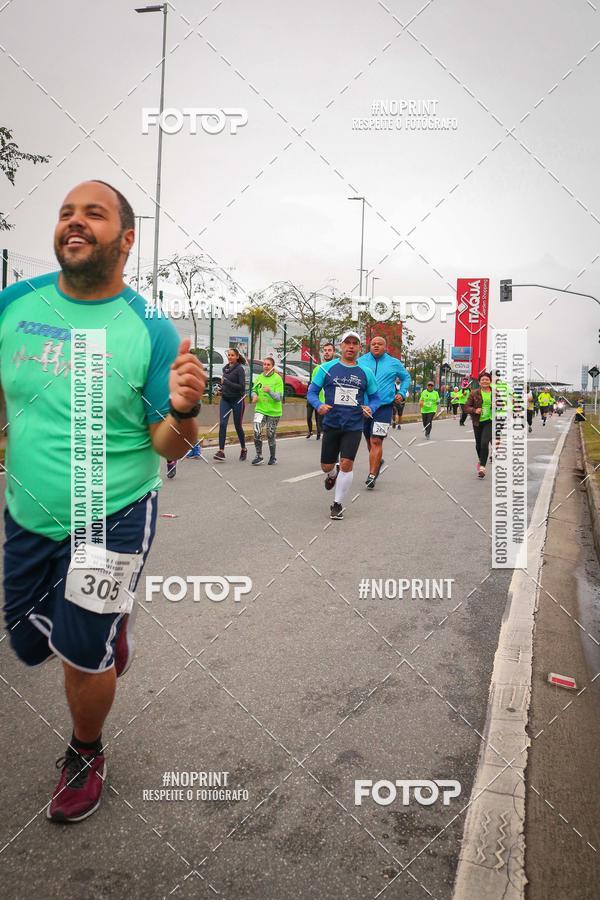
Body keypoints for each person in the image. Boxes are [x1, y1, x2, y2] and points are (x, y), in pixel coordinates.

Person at [0, 180, 205, 823]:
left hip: (112, 515)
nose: (75, 222)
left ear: (126, 238)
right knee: (29, 643)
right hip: (28, 512)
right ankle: (107, 629)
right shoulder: (13, 304)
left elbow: (169, 445)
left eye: (93, 213)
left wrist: (186, 410)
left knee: (81, 650)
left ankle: (85, 752)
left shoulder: (150, 330)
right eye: (65, 213)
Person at [307, 331, 381, 518]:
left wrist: (370, 408)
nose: (350, 346)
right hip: (331, 423)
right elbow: (311, 393)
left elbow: (375, 398)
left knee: (347, 463)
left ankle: (337, 504)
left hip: (353, 425)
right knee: (326, 465)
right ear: (341, 346)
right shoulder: (326, 369)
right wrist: (318, 405)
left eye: (354, 343)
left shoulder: (366, 372)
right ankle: (332, 475)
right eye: (347, 343)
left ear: (359, 348)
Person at [357, 335, 411, 489]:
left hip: (384, 408)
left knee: (376, 440)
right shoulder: (361, 361)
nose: (376, 346)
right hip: (364, 408)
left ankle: (372, 475)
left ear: (385, 347)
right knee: (369, 441)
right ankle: (377, 461)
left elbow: (406, 378)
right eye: (373, 344)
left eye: (379, 344)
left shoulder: (394, 363)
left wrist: (401, 392)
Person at [213, 347, 247, 462]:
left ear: (237, 357)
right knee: (222, 424)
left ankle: (243, 448)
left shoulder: (240, 369)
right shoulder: (225, 369)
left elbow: (241, 387)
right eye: (229, 355)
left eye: (232, 355)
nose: (230, 357)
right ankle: (221, 451)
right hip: (226, 400)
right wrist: (221, 391)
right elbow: (226, 386)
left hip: (238, 400)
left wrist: (226, 382)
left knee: (238, 426)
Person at [251, 356, 283, 465]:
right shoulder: (259, 377)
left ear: (272, 366)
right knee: (256, 430)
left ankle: (273, 457)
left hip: (274, 412)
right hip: (260, 409)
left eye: (268, 364)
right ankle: (259, 456)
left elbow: (279, 397)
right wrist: (254, 396)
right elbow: (254, 390)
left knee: (270, 434)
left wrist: (270, 392)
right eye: (264, 364)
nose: (266, 366)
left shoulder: (277, 379)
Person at [464, 371, 493, 477]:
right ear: (479, 382)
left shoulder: (496, 393)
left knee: (484, 442)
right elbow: (466, 407)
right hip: (477, 421)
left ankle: (482, 468)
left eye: (487, 379)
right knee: (478, 445)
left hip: (490, 421)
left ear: (490, 381)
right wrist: (475, 410)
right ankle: (481, 459)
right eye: (483, 380)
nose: (485, 381)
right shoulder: (474, 393)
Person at [306, 342, 335, 440]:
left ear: (333, 352)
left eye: (329, 350)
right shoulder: (317, 369)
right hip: (321, 403)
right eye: (325, 350)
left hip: (333, 404)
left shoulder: (337, 367)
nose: (327, 352)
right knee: (323, 427)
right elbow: (312, 388)